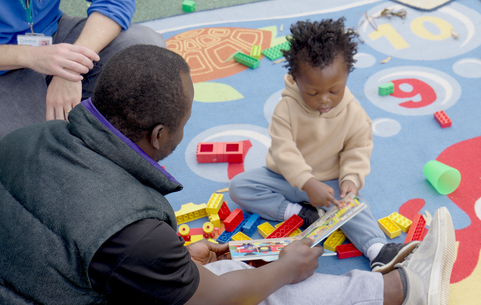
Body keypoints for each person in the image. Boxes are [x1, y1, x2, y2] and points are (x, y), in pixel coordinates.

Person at [0, 44, 455, 305]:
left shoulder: (25, 138)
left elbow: (66, 236)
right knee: (257, 287)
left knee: (235, 270)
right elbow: (209, 301)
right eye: (184, 122)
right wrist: (282, 270)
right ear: (160, 135)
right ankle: (404, 289)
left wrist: (176, 258)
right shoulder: (135, 232)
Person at [229, 18, 417, 274]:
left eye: (334, 90)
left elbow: (357, 150)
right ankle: (300, 213)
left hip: (329, 183)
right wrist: (306, 183)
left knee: (354, 207)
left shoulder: (354, 113)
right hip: (284, 177)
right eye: (313, 93)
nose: (325, 100)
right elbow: (284, 152)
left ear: (347, 76)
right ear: (296, 80)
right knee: (240, 187)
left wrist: (350, 179)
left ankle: (377, 250)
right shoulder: (285, 108)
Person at [0, 0, 166, 138]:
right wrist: (32, 56)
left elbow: (114, 2)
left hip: (52, 33)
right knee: (29, 147)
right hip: (5, 64)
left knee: (147, 52)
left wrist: (71, 67)